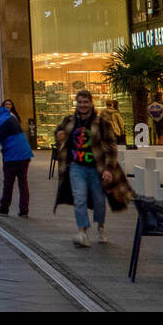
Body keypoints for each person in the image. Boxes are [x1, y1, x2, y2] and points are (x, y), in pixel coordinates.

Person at [54, 90, 132, 247]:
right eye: (80, 102)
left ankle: (101, 227)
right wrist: (58, 135)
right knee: (79, 198)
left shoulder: (102, 123)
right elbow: (58, 131)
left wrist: (109, 169)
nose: (83, 105)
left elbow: (111, 147)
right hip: (76, 167)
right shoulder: (69, 121)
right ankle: (82, 232)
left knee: (99, 201)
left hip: (97, 168)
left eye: (86, 102)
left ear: (91, 103)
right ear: (77, 103)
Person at [0, 104, 34, 216]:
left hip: (13, 156)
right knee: (23, 183)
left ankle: (4, 208)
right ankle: (24, 210)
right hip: (25, 154)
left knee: (8, 184)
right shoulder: (8, 117)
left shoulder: (1, 123)